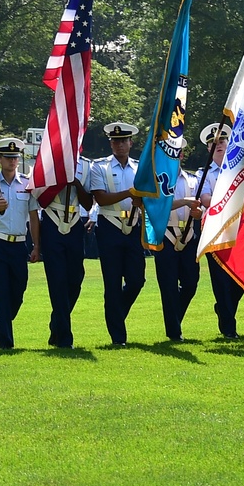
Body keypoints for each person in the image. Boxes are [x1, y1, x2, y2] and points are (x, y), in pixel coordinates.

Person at [0, 138, 40, 349]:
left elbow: (33, 216)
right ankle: (5, 342)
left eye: (15, 157)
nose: (12, 161)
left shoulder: (26, 183)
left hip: (19, 244)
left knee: (18, 292)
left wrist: (36, 245)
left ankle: (1, 323)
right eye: (8, 157)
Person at [90, 122, 144, 346]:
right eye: (115, 141)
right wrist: (130, 193)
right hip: (110, 225)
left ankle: (115, 314)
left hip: (132, 226)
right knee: (112, 283)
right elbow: (101, 198)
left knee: (136, 280)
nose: (119, 144)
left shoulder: (140, 168)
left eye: (123, 141)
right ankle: (118, 336)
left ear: (131, 143)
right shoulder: (99, 167)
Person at [38, 157, 93, 349]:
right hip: (52, 221)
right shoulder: (49, 159)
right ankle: (64, 336)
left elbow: (88, 204)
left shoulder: (86, 166)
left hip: (75, 222)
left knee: (76, 279)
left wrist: (75, 182)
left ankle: (57, 322)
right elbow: (39, 197)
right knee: (57, 280)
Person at [199, 122, 244, 339]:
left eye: (222, 140)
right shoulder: (204, 173)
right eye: (213, 143)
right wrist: (228, 200)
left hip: (240, 231)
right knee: (221, 281)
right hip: (215, 233)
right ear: (208, 149)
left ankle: (225, 310)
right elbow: (205, 199)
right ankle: (229, 328)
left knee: (239, 280)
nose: (218, 144)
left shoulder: (240, 170)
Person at [153, 141, 200, 341]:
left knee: (191, 283)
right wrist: (184, 202)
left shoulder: (192, 179)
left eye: (178, 153)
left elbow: (199, 206)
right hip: (166, 234)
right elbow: (158, 206)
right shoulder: (157, 179)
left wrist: (198, 212)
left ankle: (174, 319)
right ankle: (174, 331)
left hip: (188, 234)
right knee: (169, 285)